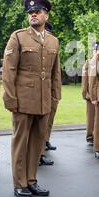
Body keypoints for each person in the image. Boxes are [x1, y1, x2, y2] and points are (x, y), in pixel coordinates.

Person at [3, 0, 61, 197]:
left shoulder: (53, 40)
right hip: (23, 99)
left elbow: (55, 73)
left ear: (46, 15)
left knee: (37, 143)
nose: (33, 15)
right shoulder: (18, 37)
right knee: (21, 143)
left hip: (44, 100)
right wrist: (10, 99)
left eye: (37, 12)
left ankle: (31, 180)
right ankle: (20, 183)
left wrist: (55, 97)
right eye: (30, 13)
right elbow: (9, 71)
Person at [39, 21, 58, 166]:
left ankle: (45, 142)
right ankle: (39, 152)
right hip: (36, 92)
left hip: (50, 91)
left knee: (48, 121)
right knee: (38, 125)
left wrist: (56, 93)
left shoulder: (53, 44)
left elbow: (56, 73)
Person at [82, 48, 95, 146]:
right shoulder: (89, 62)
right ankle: (90, 137)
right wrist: (85, 93)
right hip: (90, 94)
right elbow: (85, 79)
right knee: (91, 117)